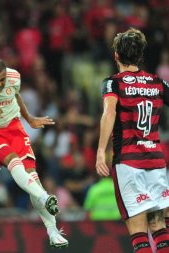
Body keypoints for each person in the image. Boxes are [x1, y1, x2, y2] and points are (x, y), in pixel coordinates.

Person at [0, 57, 68, 248]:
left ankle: (52, 230)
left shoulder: (14, 77)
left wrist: (30, 119)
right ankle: (44, 196)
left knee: (32, 175)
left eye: (1, 80)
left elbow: (16, 96)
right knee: (12, 160)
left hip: (13, 126)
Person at [96, 28, 169, 253]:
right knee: (159, 225)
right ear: (141, 55)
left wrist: (100, 150)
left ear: (116, 56)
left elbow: (110, 113)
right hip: (156, 162)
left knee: (138, 231)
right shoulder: (157, 82)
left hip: (129, 163)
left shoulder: (113, 83)